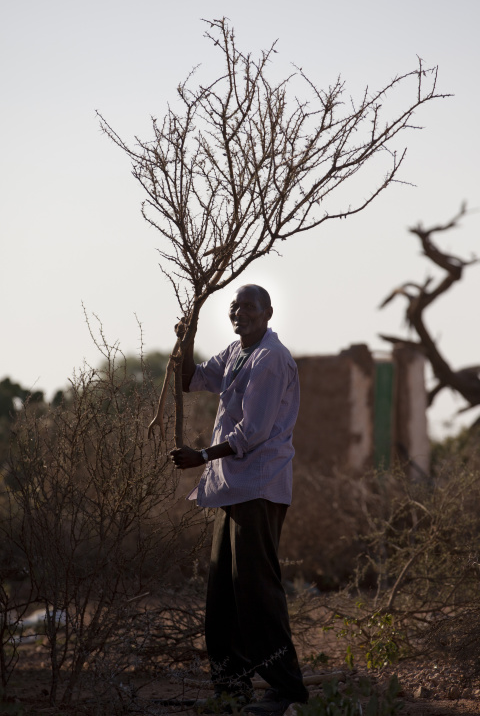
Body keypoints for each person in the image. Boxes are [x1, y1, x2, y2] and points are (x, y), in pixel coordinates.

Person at [170, 284, 308, 716]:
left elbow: (253, 432)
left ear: (268, 312)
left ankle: (285, 689)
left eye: (248, 306)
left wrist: (202, 456)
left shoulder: (269, 360)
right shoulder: (235, 352)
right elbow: (190, 380)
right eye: (234, 306)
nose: (239, 312)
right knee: (223, 590)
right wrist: (187, 337)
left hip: (260, 486)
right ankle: (232, 687)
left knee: (256, 588)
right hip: (231, 486)